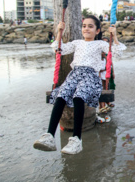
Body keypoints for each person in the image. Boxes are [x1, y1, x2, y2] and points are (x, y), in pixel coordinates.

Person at [33, 15, 124, 155]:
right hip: (74, 74)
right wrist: (59, 32)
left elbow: (117, 52)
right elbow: (59, 49)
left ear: (98, 30)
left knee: (79, 96)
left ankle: (76, 139)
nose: (86, 28)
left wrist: (115, 36)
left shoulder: (100, 44)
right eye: (84, 26)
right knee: (61, 95)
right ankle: (49, 136)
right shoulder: (77, 43)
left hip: (90, 76)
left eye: (90, 26)